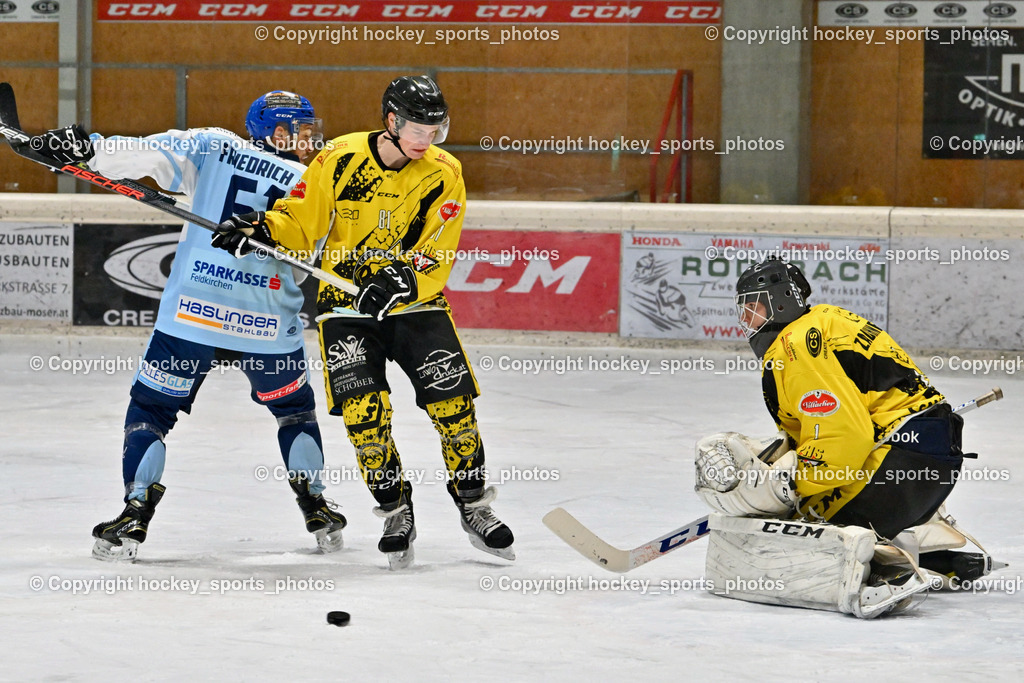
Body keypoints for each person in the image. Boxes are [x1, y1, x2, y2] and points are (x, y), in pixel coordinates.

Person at [212, 75, 515, 569]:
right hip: (347, 307)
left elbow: (439, 248)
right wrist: (260, 228)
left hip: (418, 305)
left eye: (436, 130)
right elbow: (300, 220)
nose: (427, 140)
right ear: (391, 121)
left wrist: (400, 279)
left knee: (454, 408)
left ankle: (473, 505)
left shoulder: (445, 172)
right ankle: (396, 509)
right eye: (418, 128)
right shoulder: (339, 157)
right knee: (364, 417)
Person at [33, 91, 347, 561]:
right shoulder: (317, 181)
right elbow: (301, 269)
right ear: (275, 132)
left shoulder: (215, 146)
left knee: (151, 412)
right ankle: (316, 505)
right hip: (266, 325)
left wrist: (88, 149)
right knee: (295, 412)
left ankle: (135, 512)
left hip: (193, 315)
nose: (307, 140)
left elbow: (147, 153)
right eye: (298, 130)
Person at [692, 257, 997, 617]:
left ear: (781, 302)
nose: (747, 321)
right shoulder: (823, 322)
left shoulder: (795, 346)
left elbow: (844, 438)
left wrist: (787, 487)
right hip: (926, 461)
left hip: (898, 463)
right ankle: (932, 549)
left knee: (799, 524)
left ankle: (883, 572)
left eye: (754, 308)